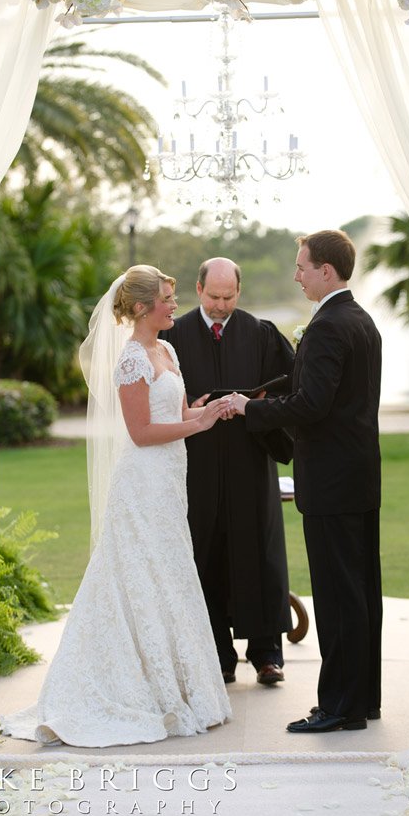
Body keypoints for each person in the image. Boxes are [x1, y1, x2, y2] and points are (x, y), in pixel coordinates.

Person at [1, 265, 232, 746]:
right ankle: (122, 688)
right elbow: (142, 433)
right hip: (142, 484)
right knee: (135, 575)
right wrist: (200, 424)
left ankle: (182, 686)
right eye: (168, 299)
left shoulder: (165, 349)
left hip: (169, 485)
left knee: (169, 574)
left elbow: (176, 411)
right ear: (144, 307)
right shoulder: (131, 360)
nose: (174, 306)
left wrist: (205, 410)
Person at [226, 230, 382, 732]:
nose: (296, 275)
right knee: (361, 593)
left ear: (326, 272)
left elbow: (312, 405)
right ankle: (363, 700)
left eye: (301, 267)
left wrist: (252, 409)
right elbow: (320, 391)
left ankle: (337, 707)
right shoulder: (360, 320)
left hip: (332, 484)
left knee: (338, 598)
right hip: (358, 478)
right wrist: (260, 392)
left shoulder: (326, 327)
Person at [161, 257, 295, 685]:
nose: (221, 306)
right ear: (198, 290)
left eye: (229, 296)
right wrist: (192, 408)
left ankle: (267, 654)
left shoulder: (261, 334)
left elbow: (291, 388)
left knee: (260, 551)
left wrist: (253, 404)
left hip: (249, 459)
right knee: (205, 553)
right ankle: (218, 653)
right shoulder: (173, 336)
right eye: (214, 297)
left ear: (240, 290)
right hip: (196, 463)